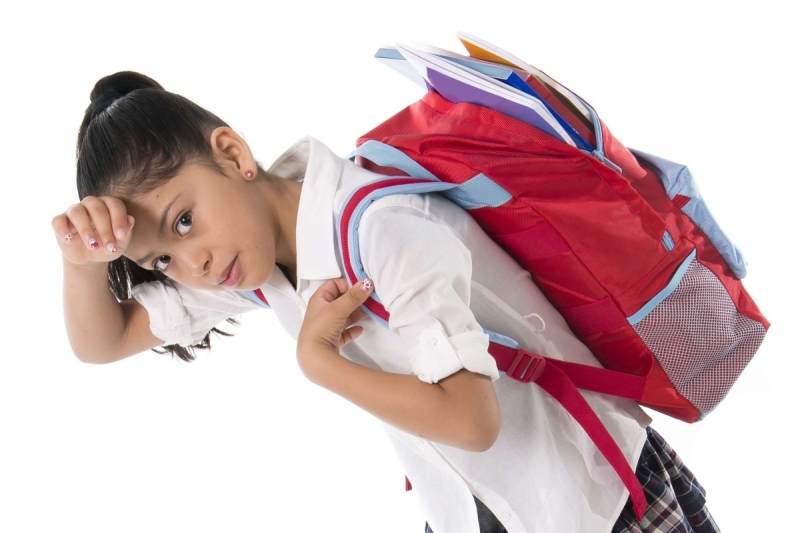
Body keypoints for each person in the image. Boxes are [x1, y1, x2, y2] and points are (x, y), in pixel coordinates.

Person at [52, 71, 720, 533]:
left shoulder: (381, 227)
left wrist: (321, 364)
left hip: (590, 500)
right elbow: (102, 340)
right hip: (473, 512)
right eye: (160, 260)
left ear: (231, 153)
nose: (190, 264)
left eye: (184, 220)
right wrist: (81, 261)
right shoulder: (256, 266)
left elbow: (472, 420)